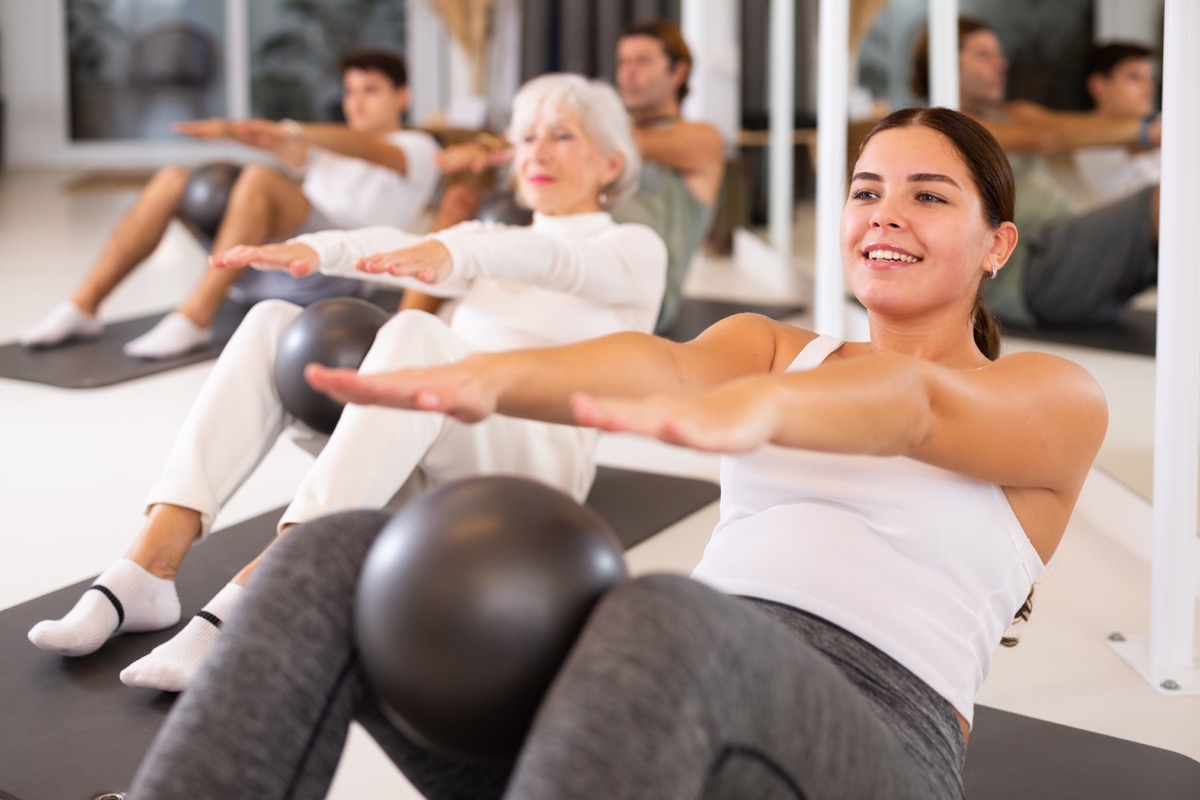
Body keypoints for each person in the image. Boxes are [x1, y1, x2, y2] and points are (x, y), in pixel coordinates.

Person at [127, 107, 1107, 799]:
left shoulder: (1051, 398)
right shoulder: (777, 346)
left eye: (928, 196)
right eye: (866, 190)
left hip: (872, 741)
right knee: (332, 553)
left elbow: (915, 406)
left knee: (668, 610)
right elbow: (666, 368)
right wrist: (478, 381)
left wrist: (765, 408)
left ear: (996, 244)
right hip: (634, 720)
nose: (885, 213)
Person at [27, 74, 666, 693]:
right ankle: (147, 568)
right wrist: (318, 250)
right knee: (274, 318)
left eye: (561, 136)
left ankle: (271, 588)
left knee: (417, 336)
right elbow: (404, 241)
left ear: (611, 165)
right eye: (526, 138)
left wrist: (457, 254)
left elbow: (552, 259)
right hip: (422, 452)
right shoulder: (488, 241)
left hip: (534, 467)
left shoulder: (633, 248)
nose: (536, 152)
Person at [19, 50, 443, 359]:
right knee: (172, 180)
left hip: (330, 273)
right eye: (350, 91)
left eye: (371, 90)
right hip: (264, 264)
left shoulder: (416, 147)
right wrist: (228, 130)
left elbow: (363, 147)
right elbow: (279, 141)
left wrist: (293, 131)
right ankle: (82, 307)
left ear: (402, 97)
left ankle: (195, 318)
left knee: (260, 178)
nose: (356, 101)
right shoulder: (324, 147)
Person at [435, 18, 725, 334]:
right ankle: (402, 318)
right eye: (623, 61)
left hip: (634, 284)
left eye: (643, 61)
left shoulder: (701, 139)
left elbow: (625, 141)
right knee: (463, 200)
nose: (628, 72)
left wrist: (512, 141)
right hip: (568, 254)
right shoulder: (598, 133)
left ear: (678, 72)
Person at [912, 17, 1160, 329]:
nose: (1001, 64)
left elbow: (1053, 126)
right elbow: (1046, 137)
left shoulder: (1011, 114)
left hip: (1061, 248)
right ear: (945, 61)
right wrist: (1149, 131)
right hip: (1027, 271)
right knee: (1164, 200)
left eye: (999, 54)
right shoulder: (943, 131)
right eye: (984, 55)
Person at [1073, 41, 1160, 206]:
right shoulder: (1088, 137)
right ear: (1098, 85)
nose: (1149, 88)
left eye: (1151, 79)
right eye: (1134, 78)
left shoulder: (1155, 124)